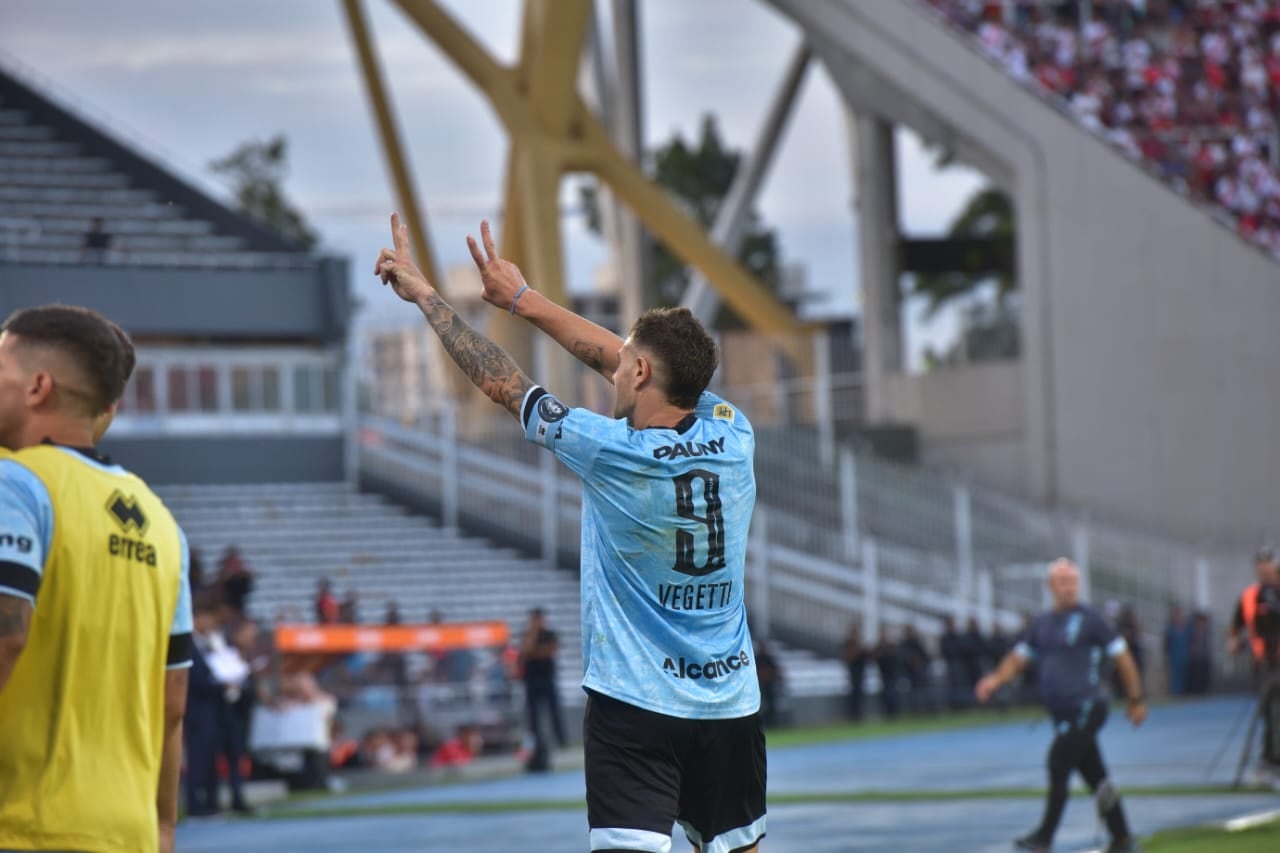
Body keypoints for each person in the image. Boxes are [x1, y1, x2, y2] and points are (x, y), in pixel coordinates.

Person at [376, 214, 766, 853]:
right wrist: (523, 299)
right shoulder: (734, 428)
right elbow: (632, 361)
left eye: (624, 365)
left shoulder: (609, 448)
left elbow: (504, 383)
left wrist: (426, 296)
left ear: (639, 373)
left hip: (634, 703)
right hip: (729, 702)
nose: (611, 370)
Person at [0, 304, 192, 853]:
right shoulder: (160, 520)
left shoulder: (15, 484)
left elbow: (6, 636)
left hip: (23, 825)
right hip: (127, 831)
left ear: (38, 387)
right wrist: (163, 828)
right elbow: (172, 701)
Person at [976, 559, 1145, 853]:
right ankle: (1122, 837)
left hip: (1087, 707)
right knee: (1096, 775)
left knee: (1059, 762)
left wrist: (1135, 699)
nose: (1069, 588)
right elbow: (1018, 659)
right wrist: (994, 681)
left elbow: (1123, 658)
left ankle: (1044, 837)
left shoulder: (1092, 619)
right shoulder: (1041, 624)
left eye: (1073, 582)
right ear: (1050, 586)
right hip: (1063, 713)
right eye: (1063, 582)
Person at [1227, 548, 1280, 771]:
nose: (1264, 570)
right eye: (1261, 566)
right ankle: (1270, 758)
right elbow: (1235, 627)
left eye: (1268, 566)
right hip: (1263, 663)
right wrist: (1233, 641)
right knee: (1269, 710)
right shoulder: (1249, 596)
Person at [519, 607, 566, 772]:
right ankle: (537, 744)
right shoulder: (527, 634)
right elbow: (527, 651)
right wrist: (533, 638)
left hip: (547, 679)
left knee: (554, 712)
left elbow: (549, 651)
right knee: (533, 716)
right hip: (532, 681)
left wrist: (535, 653)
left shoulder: (550, 634)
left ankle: (561, 741)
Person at [842, 622, 870, 720]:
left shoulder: (860, 645)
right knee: (853, 697)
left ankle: (859, 716)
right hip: (853, 674)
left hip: (861, 674)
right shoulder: (849, 643)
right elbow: (848, 657)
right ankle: (853, 716)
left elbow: (867, 658)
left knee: (860, 697)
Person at [1163, 603, 1191, 696]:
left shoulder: (1186, 628)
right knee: (1176, 676)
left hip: (1184, 655)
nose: (1179, 616)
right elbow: (1167, 643)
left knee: (1185, 675)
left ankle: (1184, 693)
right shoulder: (1170, 628)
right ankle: (1176, 693)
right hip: (1174, 655)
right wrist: (1166, 654)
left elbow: (1190, 641)